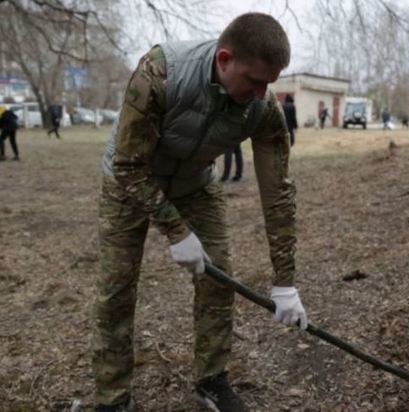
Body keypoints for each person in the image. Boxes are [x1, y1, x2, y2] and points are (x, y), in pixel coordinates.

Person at [94, 13, 308, 412]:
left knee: (218, 278)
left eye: (270, 84)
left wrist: (285, 282)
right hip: (127, 181)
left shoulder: (264, 109)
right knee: (116, 290)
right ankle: (111, 398)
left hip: (194, 182)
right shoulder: (160, 72)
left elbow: (277, 193)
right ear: (225, 59)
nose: (263, 93)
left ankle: (211, 378)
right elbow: (127, 165)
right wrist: (175, 230)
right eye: (256, 81)